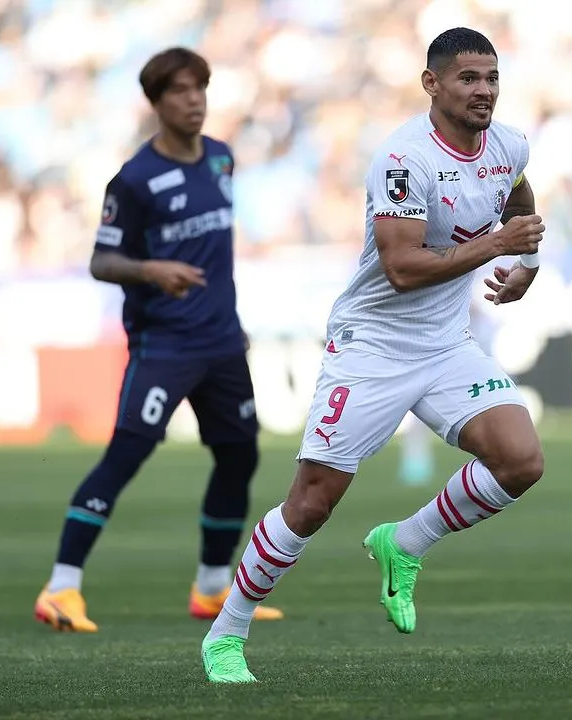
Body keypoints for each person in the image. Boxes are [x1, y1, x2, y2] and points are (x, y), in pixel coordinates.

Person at [200, 27, 547, 683]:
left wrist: (526, 261)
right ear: (432, 84)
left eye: (492, 78)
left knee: (521, 460)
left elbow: (520, 197)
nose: (484, 91)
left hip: (446, 345)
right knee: (311, 502)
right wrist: (500, 245)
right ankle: (226, 635)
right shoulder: (401, 160)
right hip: (375, 346)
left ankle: (405, 541)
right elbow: (403, 269)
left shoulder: (508, 144)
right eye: (469, 78)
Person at [33, 47, 282, 631]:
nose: (193, 100)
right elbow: (101, 261)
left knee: (239, 455)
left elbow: (215, 254)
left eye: (200, 88)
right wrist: (152, 270)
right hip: (165, 346)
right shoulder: (135, 180)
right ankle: (61, 587)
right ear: (156, 102)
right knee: (126, 455)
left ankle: (212, 587)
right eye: (179, 91)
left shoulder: (221, 159)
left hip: (222, 343)